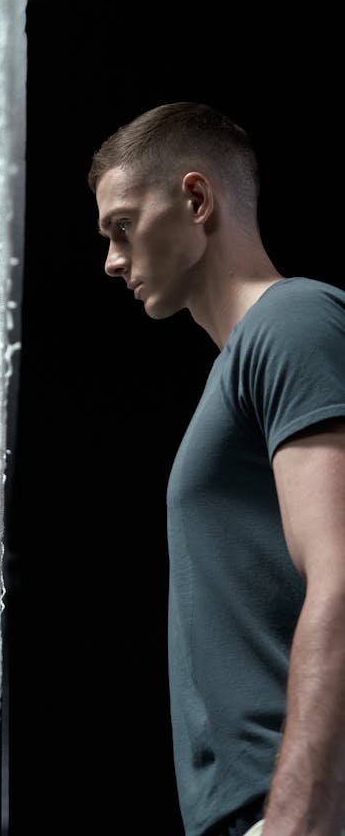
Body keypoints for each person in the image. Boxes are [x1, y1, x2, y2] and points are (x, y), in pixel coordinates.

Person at [87, 102, 345, 836]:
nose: (111, 259)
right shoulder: (239, 365)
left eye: (121, 226)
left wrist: (297, 817)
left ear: (196, 199)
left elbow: (343, 572)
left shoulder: (293, 321)